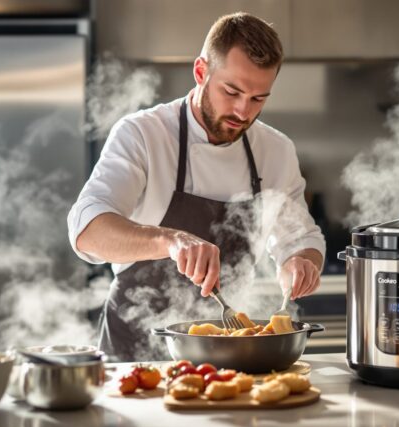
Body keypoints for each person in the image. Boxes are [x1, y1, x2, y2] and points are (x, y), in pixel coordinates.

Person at [67, 12, 325, 361]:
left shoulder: (276, 150)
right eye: (231, 91)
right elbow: (87, 230)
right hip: (134, 351)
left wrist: (300, 262)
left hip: (228, 350)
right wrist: (170, 240)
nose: (242, 111)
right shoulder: (143, 134)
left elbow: (302, 239)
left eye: (258, 99)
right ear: (201, 71)